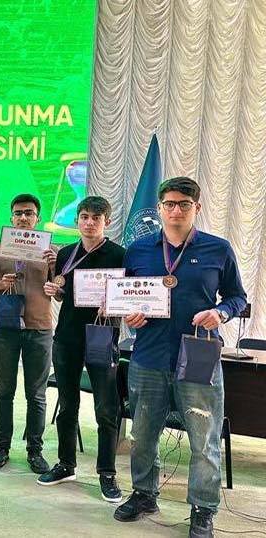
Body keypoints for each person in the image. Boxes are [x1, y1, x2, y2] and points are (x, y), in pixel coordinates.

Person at [113, 177, 246, 538]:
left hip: (199, 357)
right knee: (142, 434)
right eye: (169, 204)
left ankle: (203, 509)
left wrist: (221, 312)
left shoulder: (218, 249)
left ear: (196, 207)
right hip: (148, 356)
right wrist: (128, 314)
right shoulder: (138, 250)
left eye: (184, 204)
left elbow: (237, 297)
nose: (175, 211)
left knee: (204, 440)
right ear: (159, 208)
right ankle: (144, 494)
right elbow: (124, 295)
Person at [37, 196, 125, 502]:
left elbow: (127, 295)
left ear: (106, 222)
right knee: (67, 403)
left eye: (96, 218)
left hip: (102, 336)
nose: (89, 223)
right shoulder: (66, 254)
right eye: (84, 217)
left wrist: (113, 303)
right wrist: (55, 290)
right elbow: (64, 295)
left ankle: (107, 472)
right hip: (67, 337)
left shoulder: (119, 255)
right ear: (77, 221)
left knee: (106, 408)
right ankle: (66, 464)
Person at [0, 194, 57, 474]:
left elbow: (61, 292)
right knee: (3, 392)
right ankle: (1, 447)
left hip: (39, 329)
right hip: (5, 329)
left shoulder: (51, 252)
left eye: (29, 213)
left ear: (38, 218)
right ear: (11, 217)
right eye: (18, 213)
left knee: (36, 395)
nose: (23, 218)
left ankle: (35, 451)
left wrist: (56, 281)